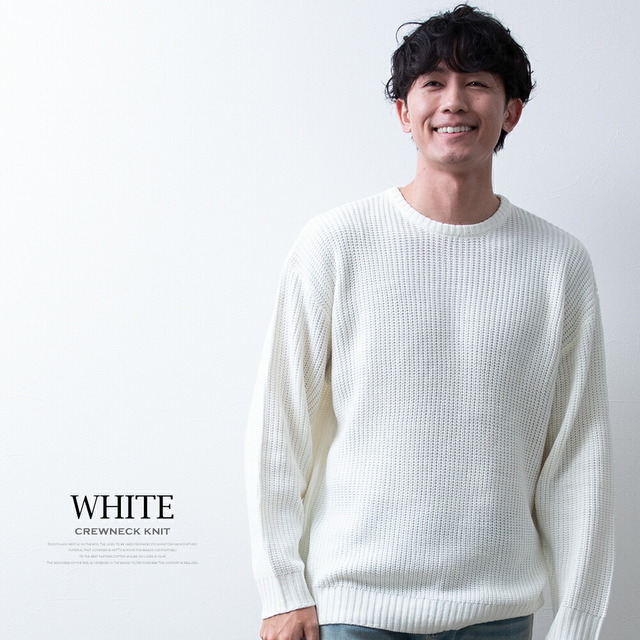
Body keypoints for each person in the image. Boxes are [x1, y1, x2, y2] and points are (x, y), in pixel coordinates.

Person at [245, 5, 614, 640]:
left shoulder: (558, 264)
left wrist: (577, 625)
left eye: (478, 83)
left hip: (498, 613)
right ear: (403, 111)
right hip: (354, 609)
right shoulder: (336, 244)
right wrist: (281, 590)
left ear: (511, 111)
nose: (454, 101)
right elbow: (280, 426)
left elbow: (579, 457)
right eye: (433, 82)